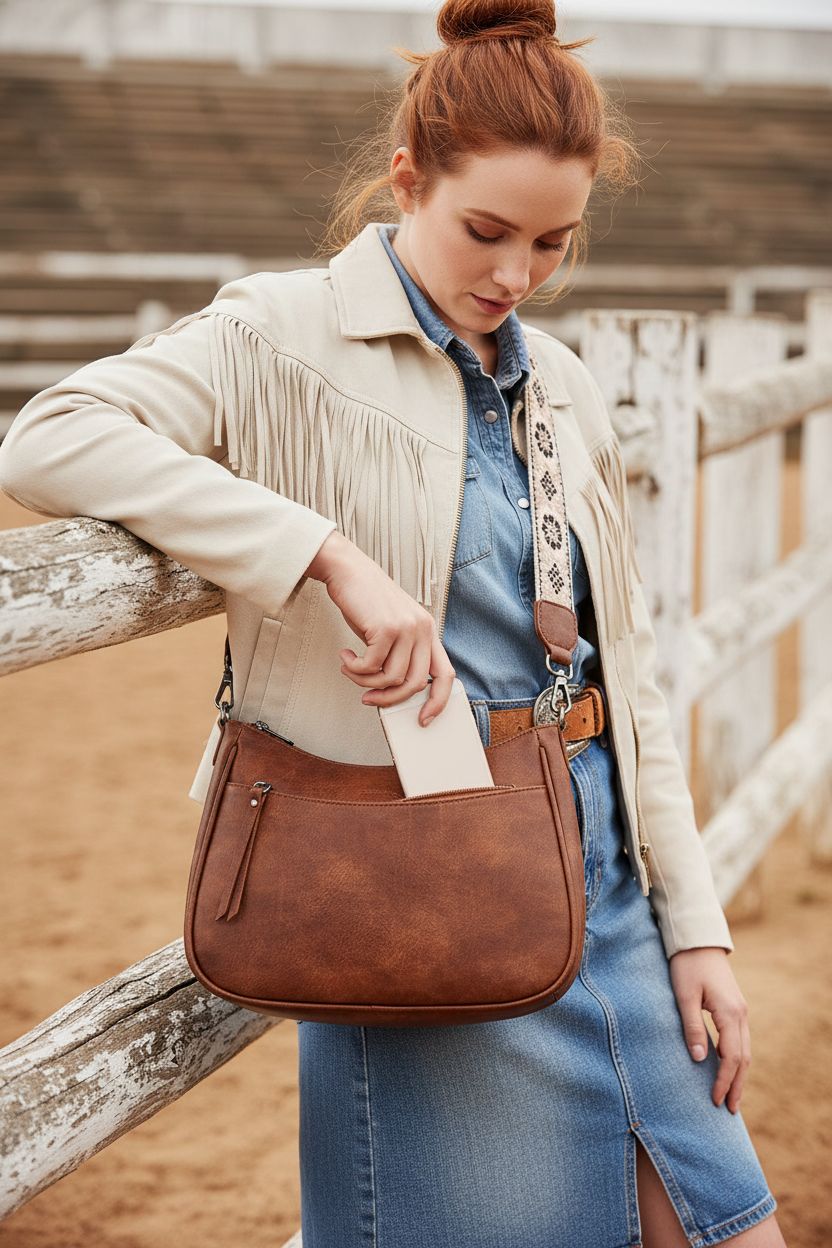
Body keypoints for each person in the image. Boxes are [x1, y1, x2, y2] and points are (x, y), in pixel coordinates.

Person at [0, 1, 785, 1244]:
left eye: (551, 243)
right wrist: (318, 554)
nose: (515, 276)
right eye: (485, 231)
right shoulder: (280, 331)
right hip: (426, 900)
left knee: (725, 1225)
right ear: (407, 179)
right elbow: (50, 436)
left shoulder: (565, 386)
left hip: (606, 883)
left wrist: (699, 933)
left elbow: (624, 688)